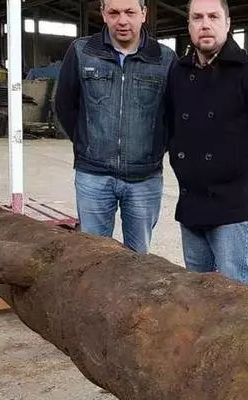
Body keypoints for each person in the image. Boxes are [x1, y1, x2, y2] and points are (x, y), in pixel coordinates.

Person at [166, 0, 248, 285]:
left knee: (234, 291)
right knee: (196, 289)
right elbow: (171, 125)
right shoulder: (179, 72)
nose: (205, 24)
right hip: (191, 202)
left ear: (228, 23)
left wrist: (243, 170)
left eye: (213, 17)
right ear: (189, 25)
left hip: (232, 205)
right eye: (197, 17)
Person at [56, 0, 176, 254]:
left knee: (138, 258)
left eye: (130, 12)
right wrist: (87, 143)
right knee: (93, 256)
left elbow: (174, 114)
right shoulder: (82, 52)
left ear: (144, 13)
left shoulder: (164, 59)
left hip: (144, 179)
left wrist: (154, 150)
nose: (122, 20)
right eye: (114, 12)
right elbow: (65, 105)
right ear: (103, 14)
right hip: (93, 176)